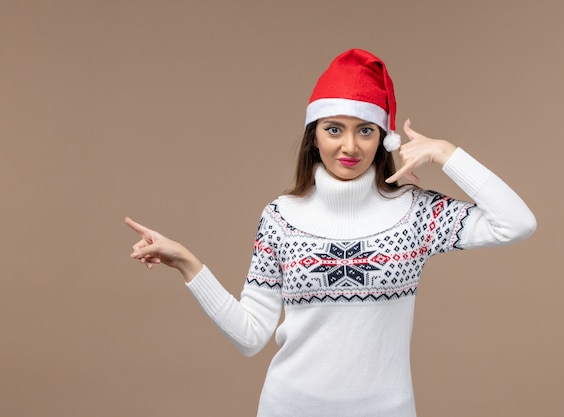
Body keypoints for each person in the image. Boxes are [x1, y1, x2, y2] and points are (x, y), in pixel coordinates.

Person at [126, 48, 536, 417]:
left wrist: (447, 154)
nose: (350, 147)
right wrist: (187, 264)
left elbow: (516, 222)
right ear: (314, 137)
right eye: (334, 129)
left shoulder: (415, 212)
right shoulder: (280, 217)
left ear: (383, 137)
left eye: (366, 130)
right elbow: (250, 336)